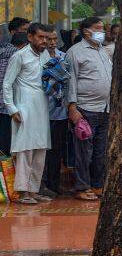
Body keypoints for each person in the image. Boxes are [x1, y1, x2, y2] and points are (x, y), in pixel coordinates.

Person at [2, 23, 54, 204]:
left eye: (46, 38)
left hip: (42, 107)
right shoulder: (19, 56)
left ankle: (34, 191)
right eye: (41, 37)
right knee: (25, 150)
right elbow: (7, 84)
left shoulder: (46, 55)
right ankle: (23, 192)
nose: (44, 41)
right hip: (23, 108)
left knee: (40, 149)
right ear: (30, 37)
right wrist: (12, 109)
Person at [66, 17, 113, 201]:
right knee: (83, 152)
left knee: (100, 152)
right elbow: (70, 81)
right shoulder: (75, 52)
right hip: (85, 109)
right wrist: (72, 107)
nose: (102, 31)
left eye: (103, 28)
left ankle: (97, 185)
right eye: (98, 28)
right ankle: (82, 186)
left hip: (105, 108)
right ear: (86, 31)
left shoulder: (102, 51)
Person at [41, 30, 70, 196]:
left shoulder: (63, 56)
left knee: (57, 150)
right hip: (44, 111)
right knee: (43, 150)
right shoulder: (41, 56)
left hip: (60, 111)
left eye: (54, 39)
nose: (52, 42)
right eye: (49, 39)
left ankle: (54, 185)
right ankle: (42, 184)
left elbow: (67, 80)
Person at [0, 17, 31, 154]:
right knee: (7, 147)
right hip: (9, 107)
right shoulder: (16, 54)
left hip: (12, 107)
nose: (29, 33)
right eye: (25, 30)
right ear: (13, 32)